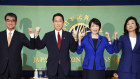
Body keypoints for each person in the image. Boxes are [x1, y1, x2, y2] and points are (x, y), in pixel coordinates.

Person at [35, 13, 78, 79]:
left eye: (60, 21)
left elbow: (73, 49)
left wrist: (75, 38)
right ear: (53, 22)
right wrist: (37, 34)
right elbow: (39, 46)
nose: (58, 23)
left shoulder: (68, 35)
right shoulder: (48, 35)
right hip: (52, 68)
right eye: (56, 21)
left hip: (64, 68)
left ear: (63, 22)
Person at [0, 13, 35, 79]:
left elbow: (32, 46)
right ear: (5, 22)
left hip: (15, 68)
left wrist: (32, 35)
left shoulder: (20, 36)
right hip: (1, 68)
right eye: (8, 20)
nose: (10, 22)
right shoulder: (0, 35)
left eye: (13, 20)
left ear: (16, 22)